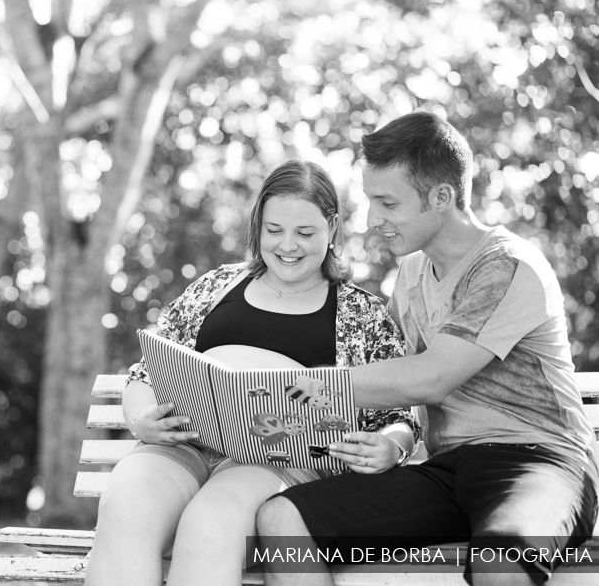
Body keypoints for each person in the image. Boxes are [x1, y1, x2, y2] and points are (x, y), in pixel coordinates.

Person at [256, 112, 599, 586]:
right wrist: (391, 444)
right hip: (449, 469)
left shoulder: (508, 267)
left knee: (500, 563)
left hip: (540, 461)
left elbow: (429, 377)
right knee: (283, 521)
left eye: (388, 203)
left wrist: (314, 384)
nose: (374, 221)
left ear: (442, 197)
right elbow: (390, 380)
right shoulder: (412, 274)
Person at [84, 159, 421, 586]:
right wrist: (142, 421)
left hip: (277, 461)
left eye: (305, 232)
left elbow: (400, 415)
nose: (288, 246)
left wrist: (391, 447)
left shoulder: (362, 313)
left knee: (212, 521)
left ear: (332, 228)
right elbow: (145, 373)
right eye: (275, 230)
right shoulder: (216, 286)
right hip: (185, 445)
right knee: (125, 504)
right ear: (258, 224)